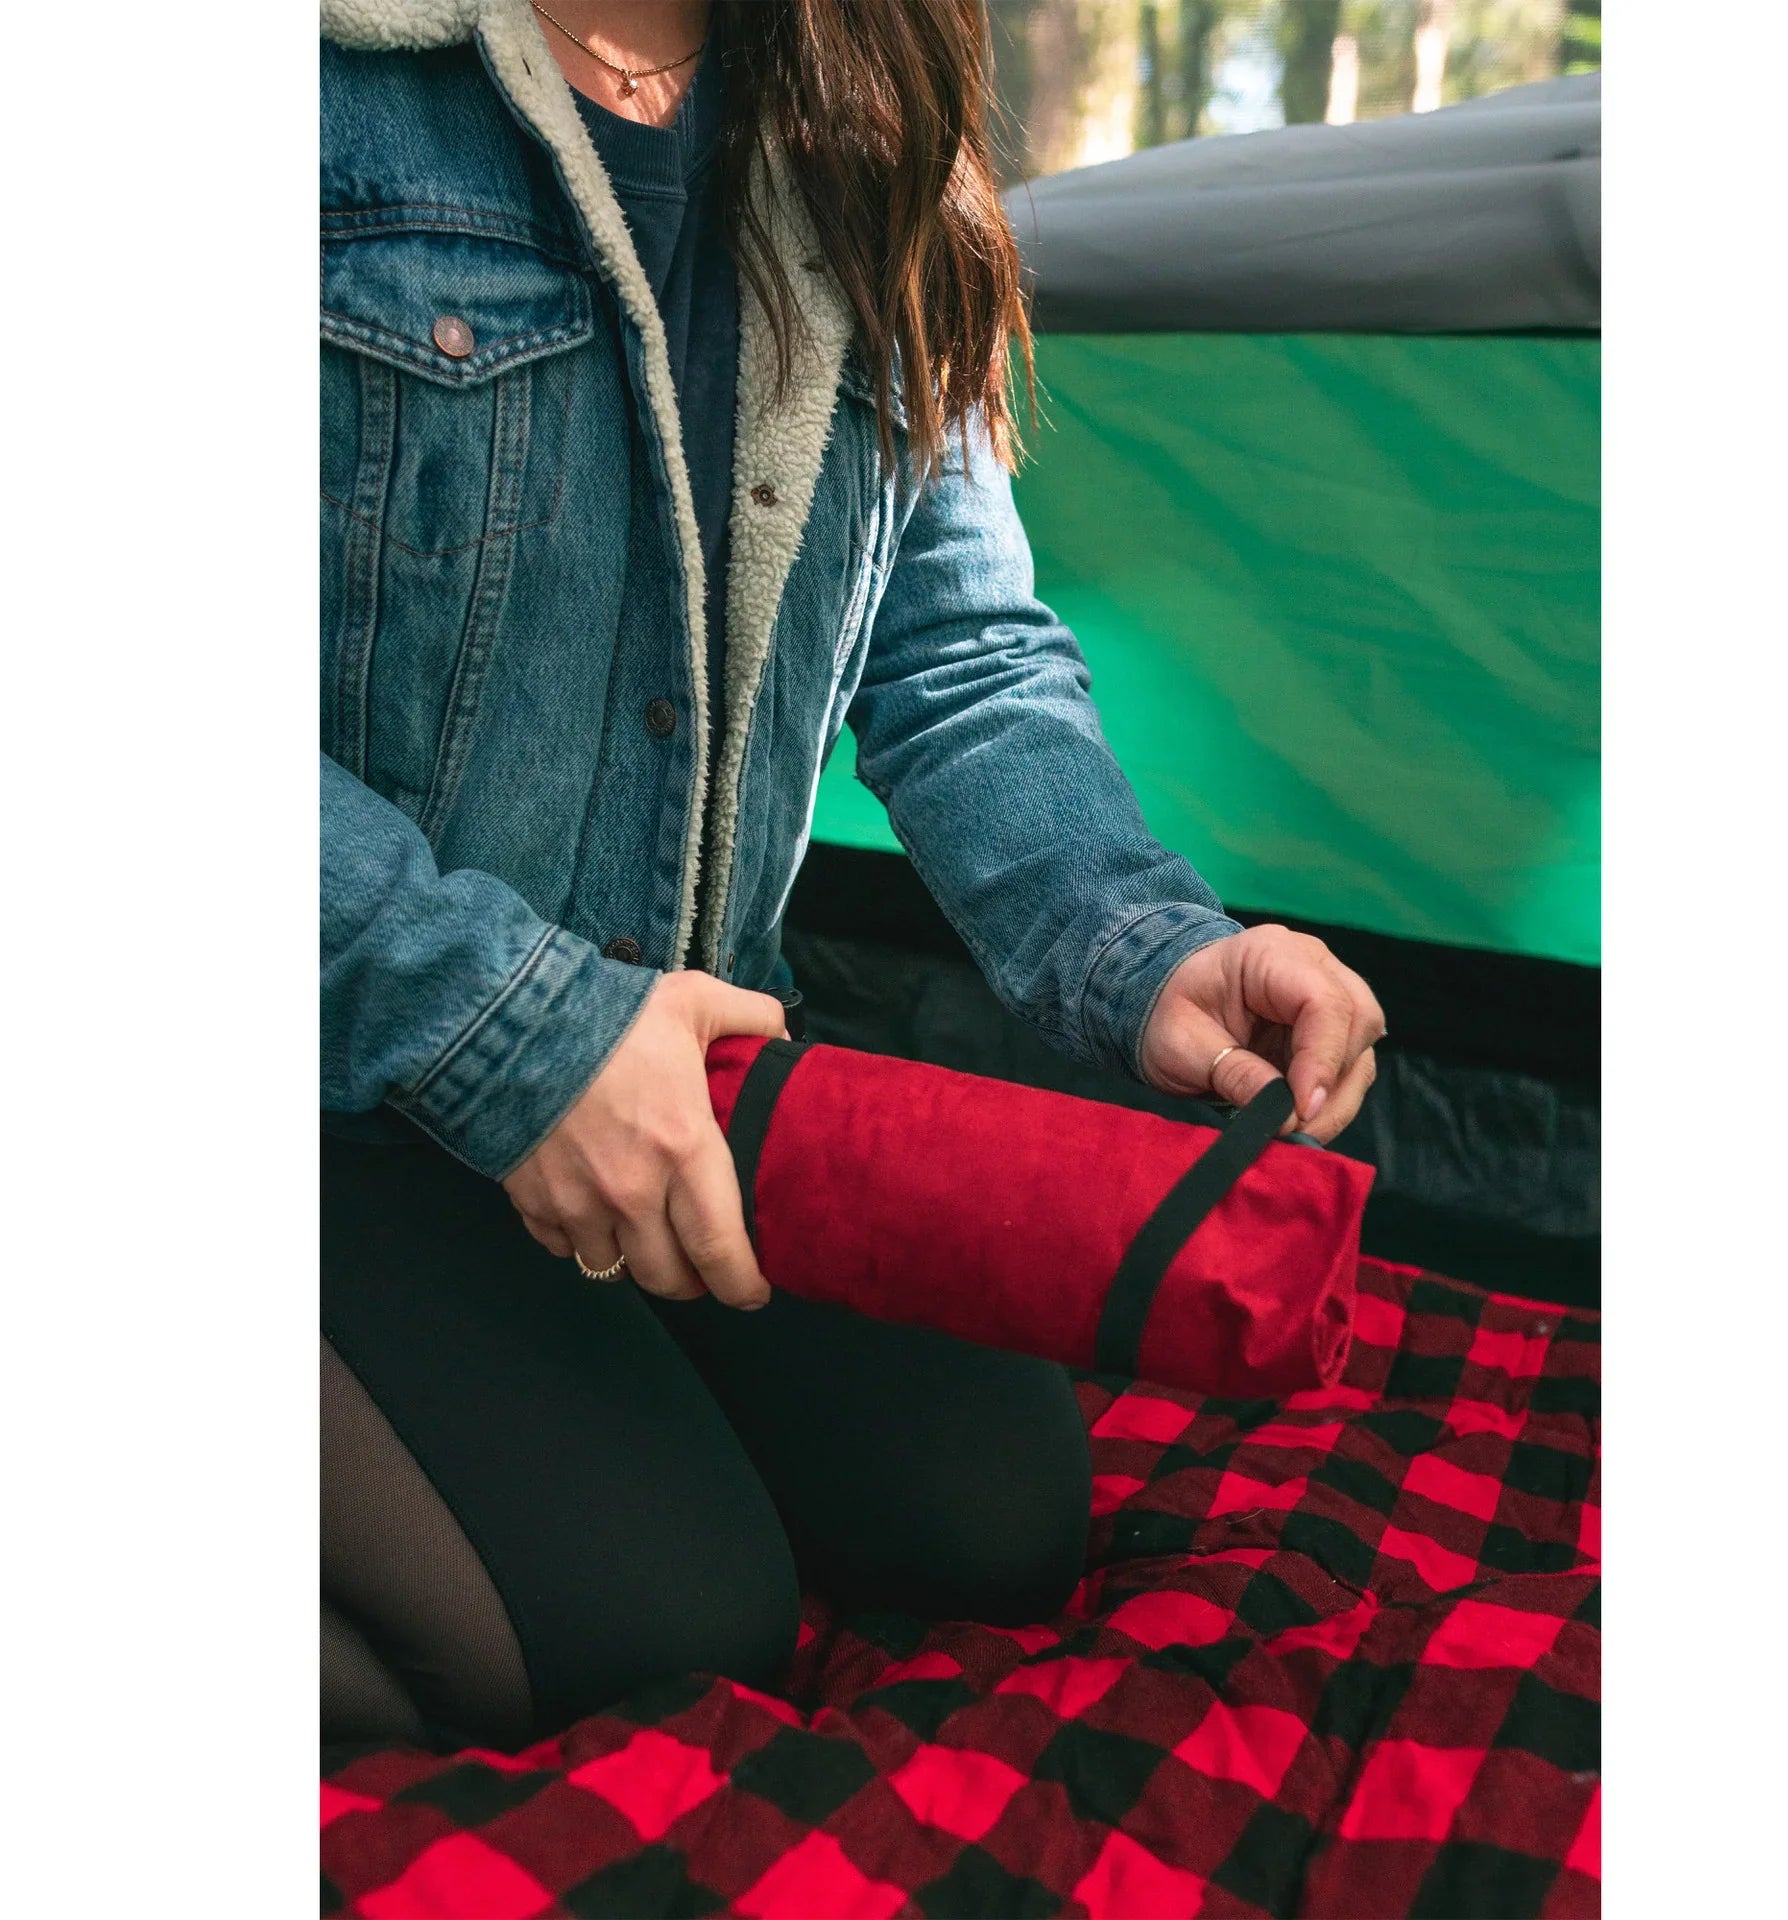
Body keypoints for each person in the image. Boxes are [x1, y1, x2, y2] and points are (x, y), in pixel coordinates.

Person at [320, 0, 1385, 1749]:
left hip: (686, 1079)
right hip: (339, 1070)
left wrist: (1145, 944)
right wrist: (517, 1037)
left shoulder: (874, 107)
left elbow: (956, 650)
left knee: (989, 1523)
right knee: (665, 1629)